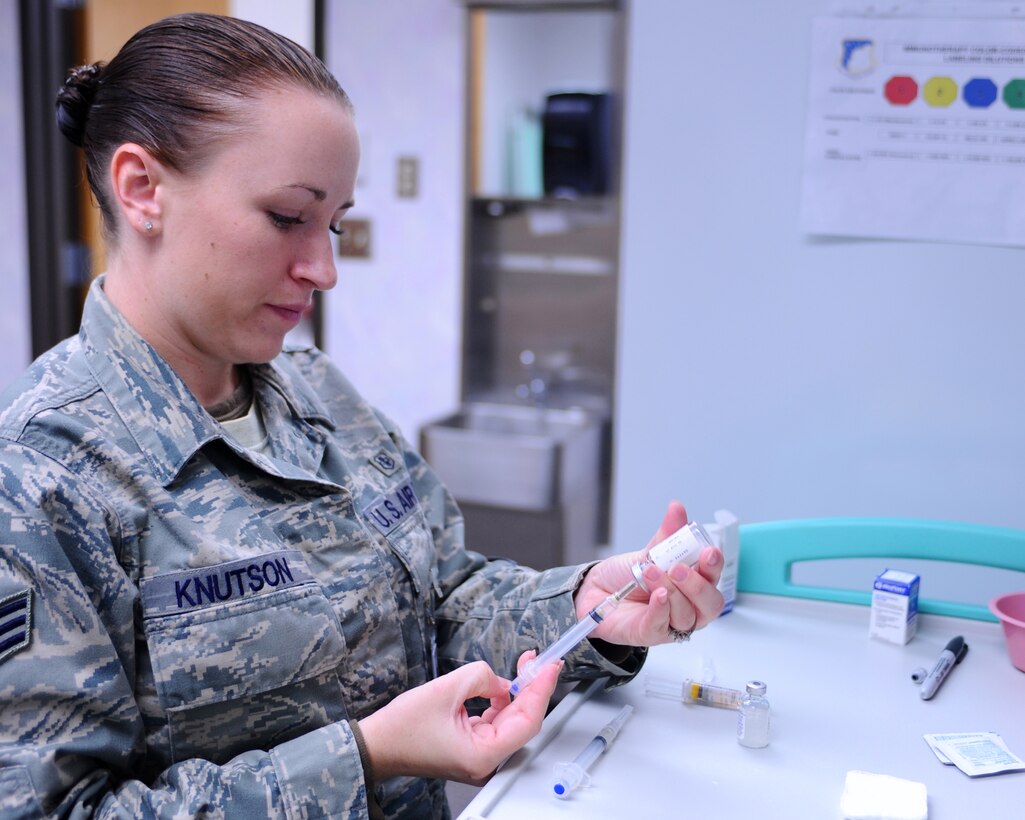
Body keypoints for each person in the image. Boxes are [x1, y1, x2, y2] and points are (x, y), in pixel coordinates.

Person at [0, 13, 723, 820]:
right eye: (286, 217)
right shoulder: (39, 478)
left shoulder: (317, 394)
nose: (325, 269)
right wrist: (370, 757)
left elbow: (446, 598)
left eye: (335, 223)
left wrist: (590, 604)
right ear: (143, 190)